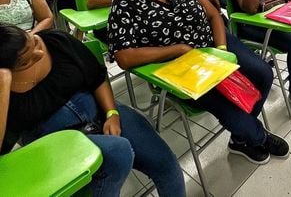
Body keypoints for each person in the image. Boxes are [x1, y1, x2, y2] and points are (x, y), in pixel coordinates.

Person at [108, 0, 288, 164]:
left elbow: (214, 16)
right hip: (182, 64)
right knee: (233, 113)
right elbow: (124, 57)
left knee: (263, 74)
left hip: (214, 44)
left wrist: (221, 50)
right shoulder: (125, 3)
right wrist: (178, 49)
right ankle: (255, 136)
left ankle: (241, 137)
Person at [0, 25, 186, 196]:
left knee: (166, 165)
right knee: (118, 152)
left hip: (98, 109)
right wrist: (3, 85)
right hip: (54, 139)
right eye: (26, 60)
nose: (39, 52)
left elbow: (97, 76)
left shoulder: (56, 41)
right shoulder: (3, 88)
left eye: (33, 41)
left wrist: (111, 113)